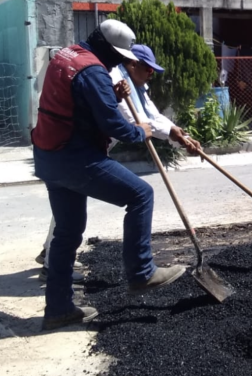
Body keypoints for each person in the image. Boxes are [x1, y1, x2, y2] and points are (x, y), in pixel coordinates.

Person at [30, 19, 187, 331]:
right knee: (141, 194)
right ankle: (142, 273)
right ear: (105, 46)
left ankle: (59, 309)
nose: (120, 62)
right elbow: (114, 126)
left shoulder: (68, 56)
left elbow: (78, 103)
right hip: (73, 157)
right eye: (119, 56)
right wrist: (139, 130)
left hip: (49, 155)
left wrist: (111, 95)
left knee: (68, 230)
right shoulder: (93, 71)